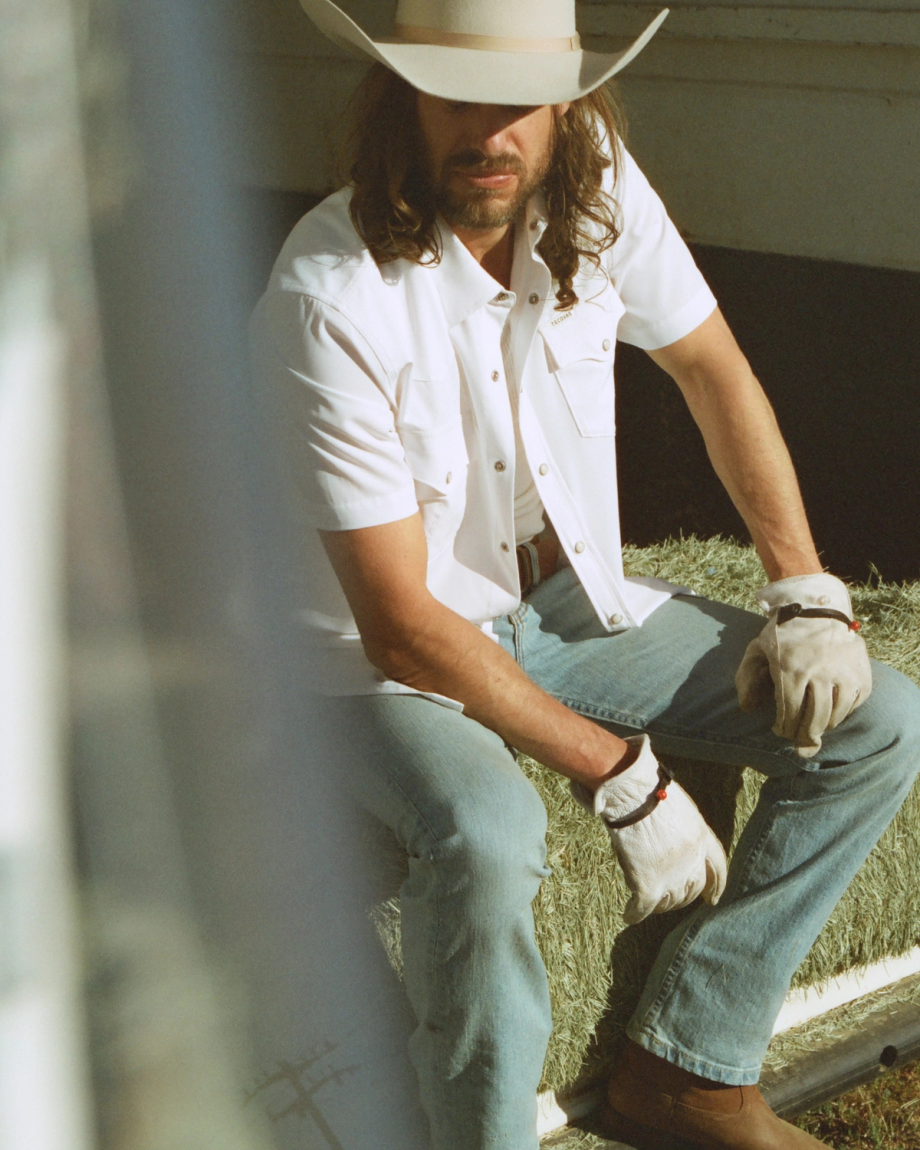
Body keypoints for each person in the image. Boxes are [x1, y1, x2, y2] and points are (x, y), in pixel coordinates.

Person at [249, 1, 920, 1147]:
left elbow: (707, 363)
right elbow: (402, 624)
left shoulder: (592, 180)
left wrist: (802, 588)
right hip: (359, 659)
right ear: (401, 100)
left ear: (567, 104)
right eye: (457, 97)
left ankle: (688, 1067)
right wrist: (624, 775)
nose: (491, 133)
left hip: (559, 604)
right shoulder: (327, 295)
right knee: (490, 833)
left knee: (881, 721)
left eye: (522, 102)